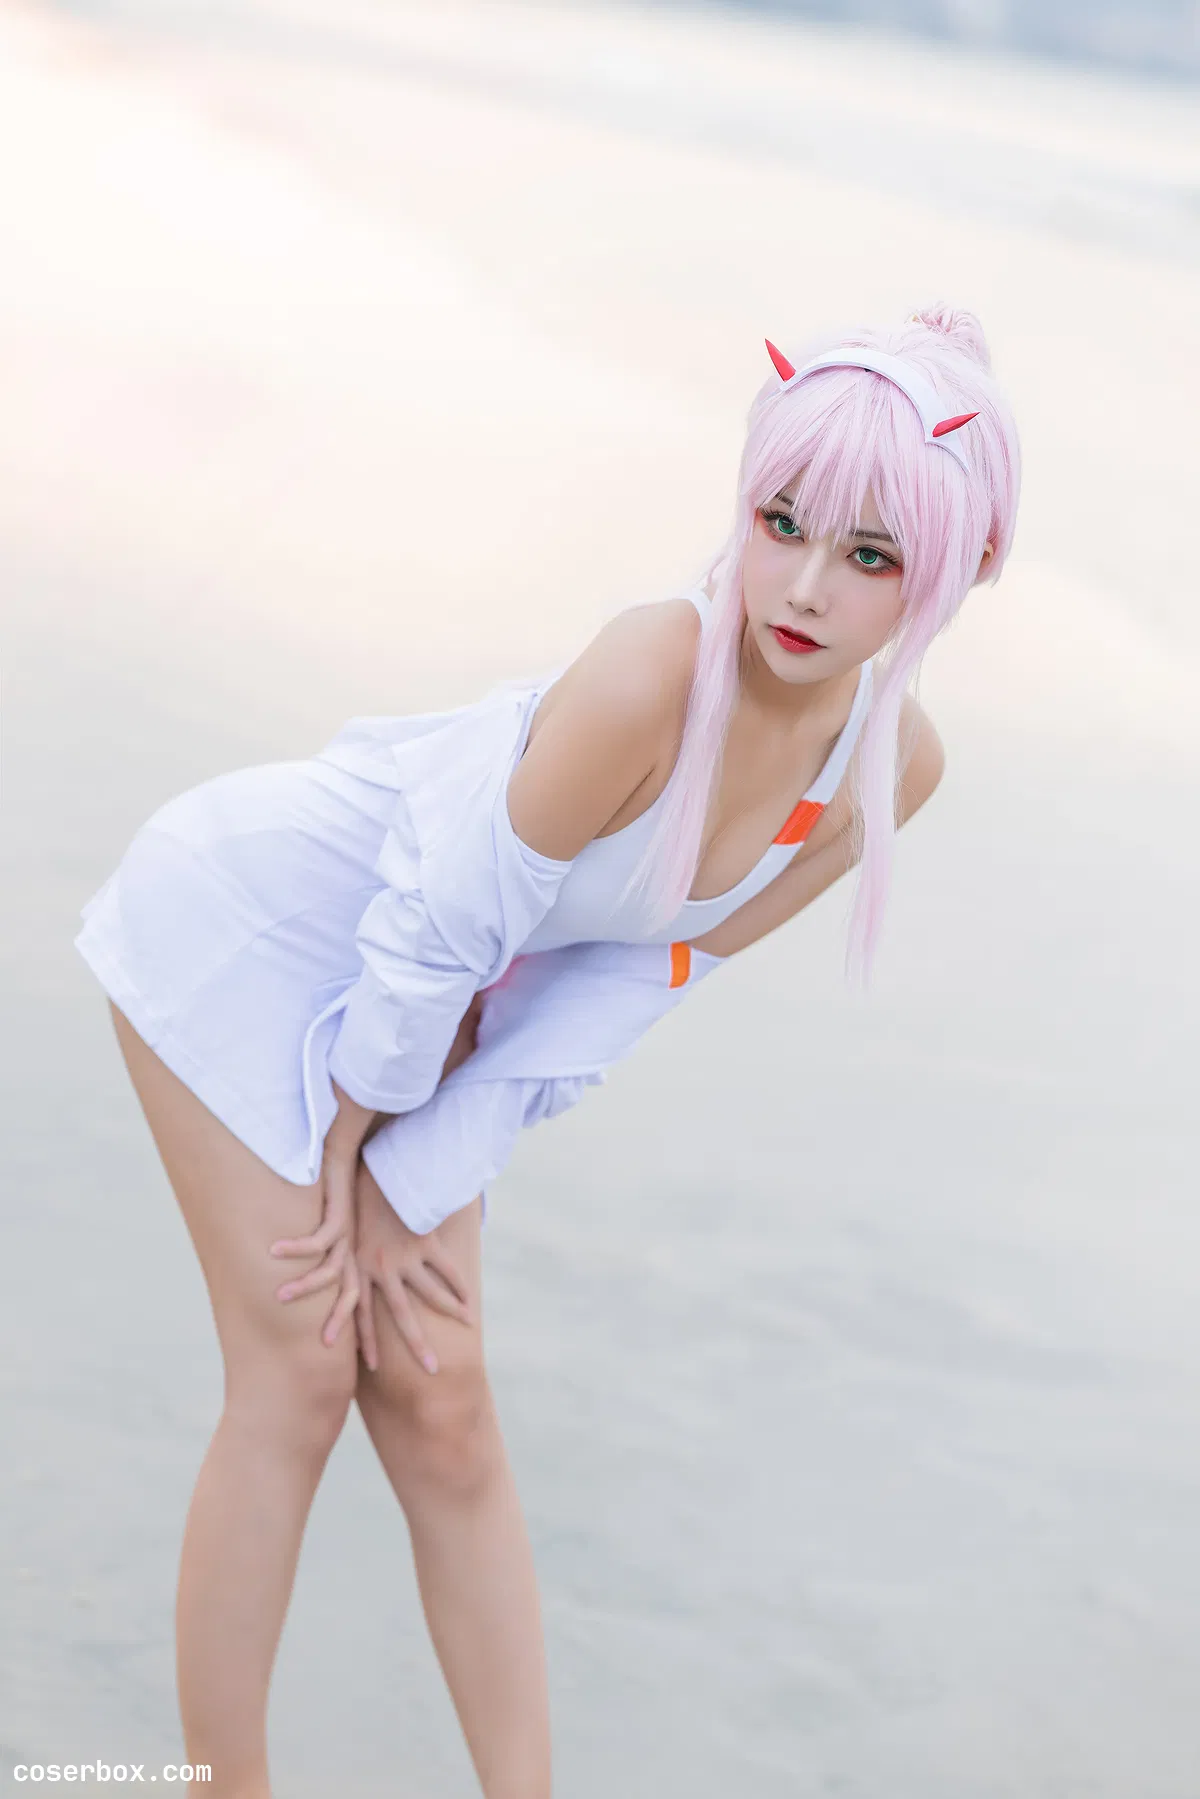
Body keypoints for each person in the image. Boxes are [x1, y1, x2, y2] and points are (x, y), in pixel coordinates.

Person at [74, 302, 1021, 1799]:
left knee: (443, 1400)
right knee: (304, 1367)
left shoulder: (887, 768)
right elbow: (441, 922)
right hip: (258, 927)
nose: (803, 585)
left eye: (869, 555)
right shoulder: (654, 668)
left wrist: (418, 1164)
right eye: (779, 523)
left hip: (436, 1012)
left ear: (962, 567)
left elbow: (635, 978)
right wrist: (357, 1137)